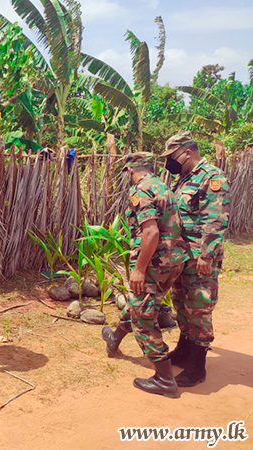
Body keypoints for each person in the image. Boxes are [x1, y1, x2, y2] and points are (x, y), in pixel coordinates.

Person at [101, 153, 189, 397]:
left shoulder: (140, 190)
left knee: (143, 315)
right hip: (173, 261)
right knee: (139, 303)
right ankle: (114, 338)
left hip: (153, 263)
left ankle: (164, 378)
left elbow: (150, 233)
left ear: (130, 170)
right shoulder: (164, 186)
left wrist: (139, 269)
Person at [161, 131, 231, 387]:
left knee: (199, 306)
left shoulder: (212, 177)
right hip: (182, 255)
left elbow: (216, 219)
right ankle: (183, 348)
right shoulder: (184, 179)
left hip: (200, 256)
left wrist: (206, 254)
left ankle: (197, 364)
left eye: (173, 156)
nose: (170, 161)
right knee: (181, 301)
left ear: (187, 152)